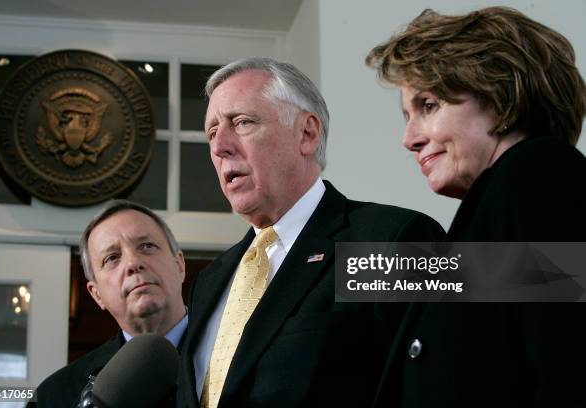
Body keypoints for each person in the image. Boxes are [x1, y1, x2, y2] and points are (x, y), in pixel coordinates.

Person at [177, 57, 445, 408]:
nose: (218, 146)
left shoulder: (383, 243)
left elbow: (448, 380)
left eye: (241, 122)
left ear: (307, 133)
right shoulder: (210, 281)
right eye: (212, 132)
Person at [366, 6, 586, 407]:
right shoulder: (500, 202)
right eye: (406, 115)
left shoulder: (537, 173)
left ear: (500, 97)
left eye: (428, 106)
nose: (409, 138)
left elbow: (571, 367)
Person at [31, 200, 188, 407]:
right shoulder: (56, 395)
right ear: (97, 295)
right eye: (112, 258)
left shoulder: (239, 353)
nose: (133, 263)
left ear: (179, 265)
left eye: (147, 246)